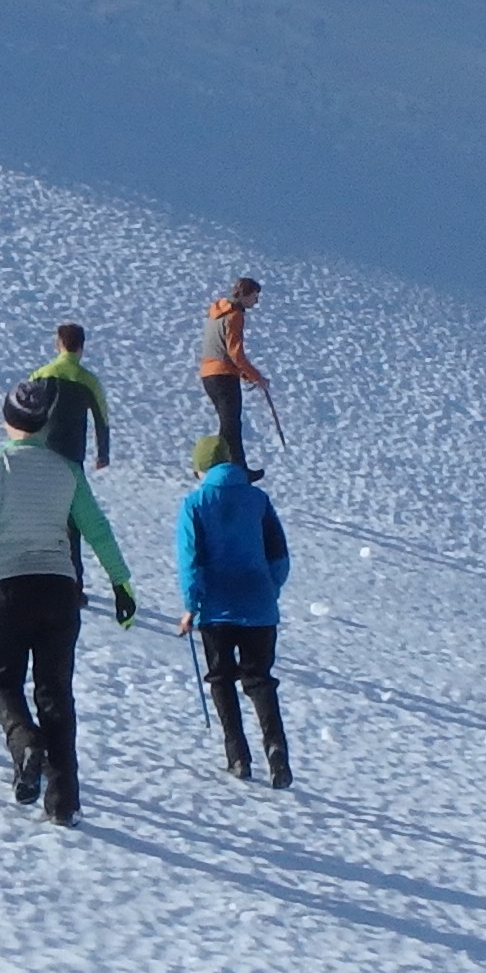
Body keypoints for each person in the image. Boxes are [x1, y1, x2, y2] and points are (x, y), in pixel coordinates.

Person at [0, 376, 137, 826]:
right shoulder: (66, 470)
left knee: (0, 684)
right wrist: (121, 584)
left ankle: (24, 741)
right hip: (59, 590)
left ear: (7, 418)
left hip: (6, 589)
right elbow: (97, 530)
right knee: (56, 695)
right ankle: (63, 802)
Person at [172, 435, 293, 785]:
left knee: (221, 679)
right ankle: (276, 751)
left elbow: (190, 560)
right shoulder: (258, 499)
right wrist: (269, 589)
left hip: (216, 610)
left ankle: (237, 754)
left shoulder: (194, 503)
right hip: (259, 606)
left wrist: (191, 606)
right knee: (259, 680)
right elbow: (279, 554)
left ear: (200, 469)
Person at [198, 276, 271, 469]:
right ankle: (236, 469)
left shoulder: (217, 310)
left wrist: (245, 374)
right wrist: (257, 377)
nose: (256, 301)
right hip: (224, 376)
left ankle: (226, 466)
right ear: (245, 295)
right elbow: (235, 353)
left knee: (227, 423)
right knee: (231, 425)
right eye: (254, 296)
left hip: (208, 374)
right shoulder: (235, 315)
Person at [27, 321, 113, 470]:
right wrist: (102, 454)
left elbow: (24, 411)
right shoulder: (89, 381)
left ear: (58, 344)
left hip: (40, 450)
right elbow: (101, 419)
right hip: (72, 455)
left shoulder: (39, 375)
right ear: (81, 347)